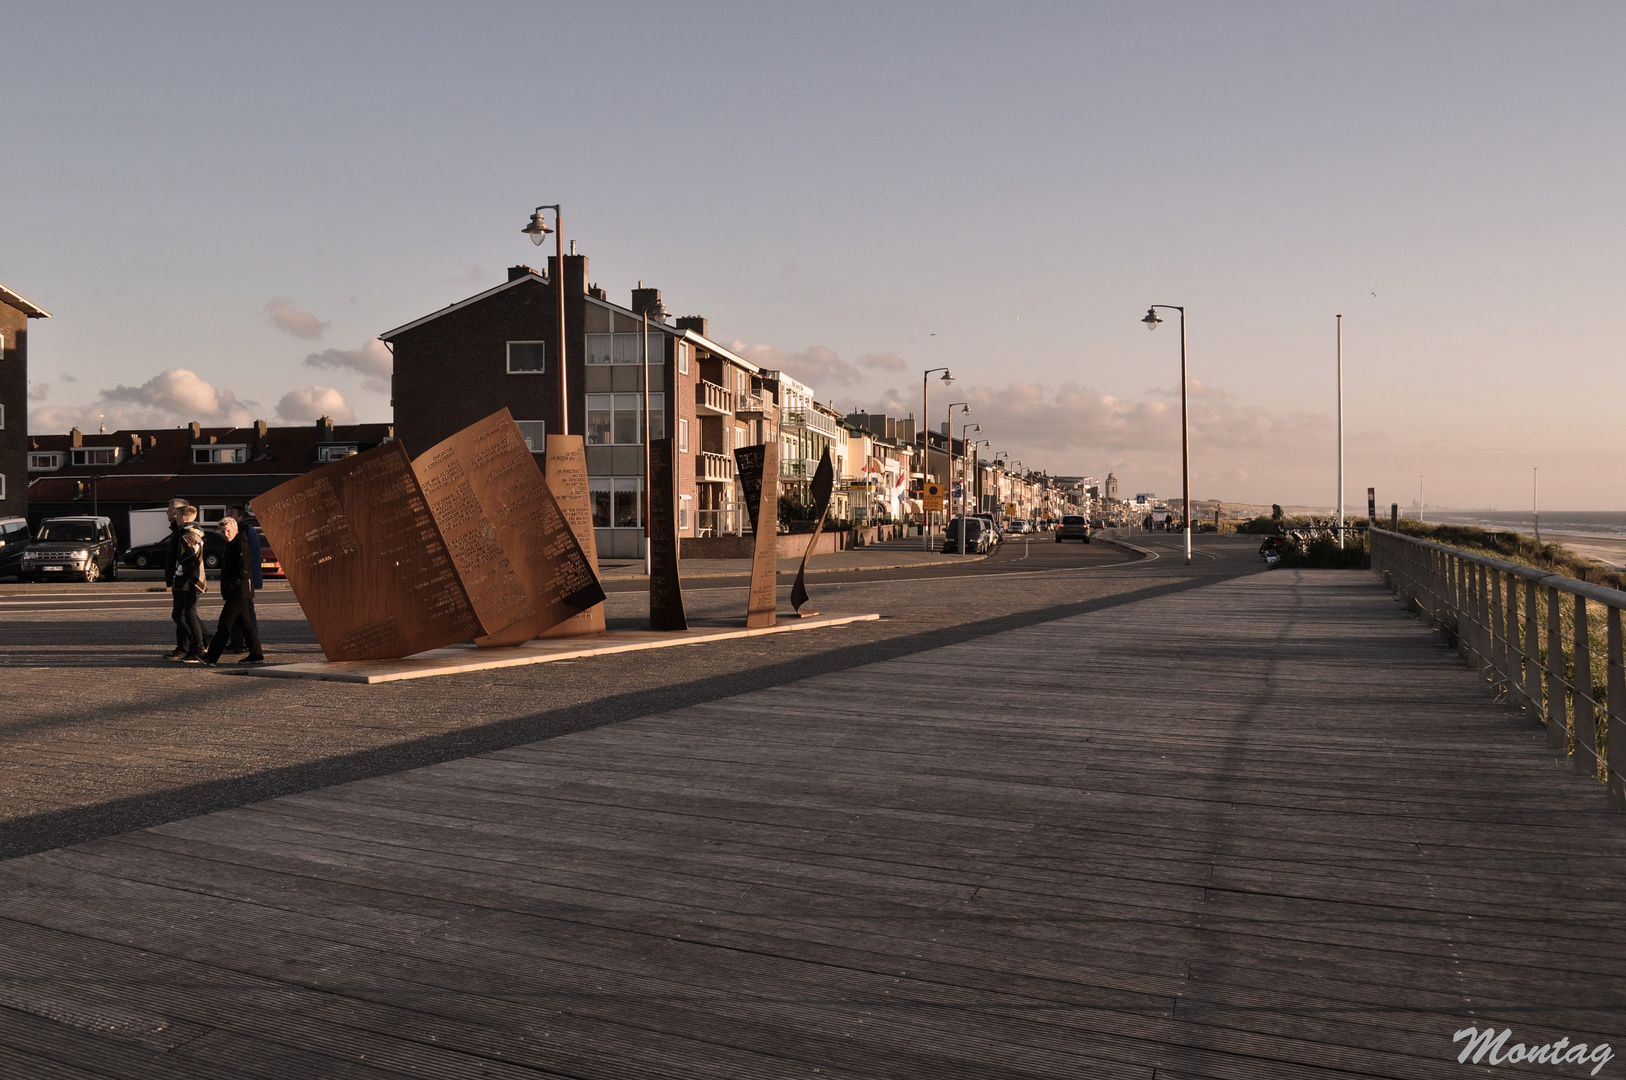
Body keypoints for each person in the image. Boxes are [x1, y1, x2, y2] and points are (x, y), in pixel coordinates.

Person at [203, 514, 265, 666]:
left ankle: (211, 657)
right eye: (223, 532)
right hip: (238, 591)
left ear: (235, 529)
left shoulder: (240, 544)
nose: (226, 534)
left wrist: (231, 586)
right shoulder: (232, 544)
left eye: (228, 531)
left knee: (224, 624)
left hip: (239, 592)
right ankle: (256, 654)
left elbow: (242, 570)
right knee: (246, 624)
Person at [222, 505, 261, 653]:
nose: (229, 518)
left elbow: (244, 561)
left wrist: (235, 581)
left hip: (242, 582)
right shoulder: (239, 532)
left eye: (232, 516)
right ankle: (241, 643)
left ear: (240, 517)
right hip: (242, 580)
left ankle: (244, 644)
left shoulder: (243, 533)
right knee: (242, 614)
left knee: (244, 614)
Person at [170, 506, 207, 663]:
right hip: (189, 580)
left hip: (190, 581)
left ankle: (199, 648)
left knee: (187, 614)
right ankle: (200, 643)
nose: (175, 519)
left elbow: (190, 558)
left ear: (183, 517)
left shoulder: (188, 535)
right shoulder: (193, 533)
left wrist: (178, 571)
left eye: (177, 516)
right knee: (181, 614)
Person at [161, 498, 192, 659]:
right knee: (185, 614)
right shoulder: (176, 531)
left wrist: (176, 577)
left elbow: (185, 558)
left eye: (169, 510)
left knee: (181, 614)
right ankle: (203, 639)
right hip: (177, 578)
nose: (167, 513)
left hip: (183, 579)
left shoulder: (184, 533)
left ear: (177, 514)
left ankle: (187, 646)